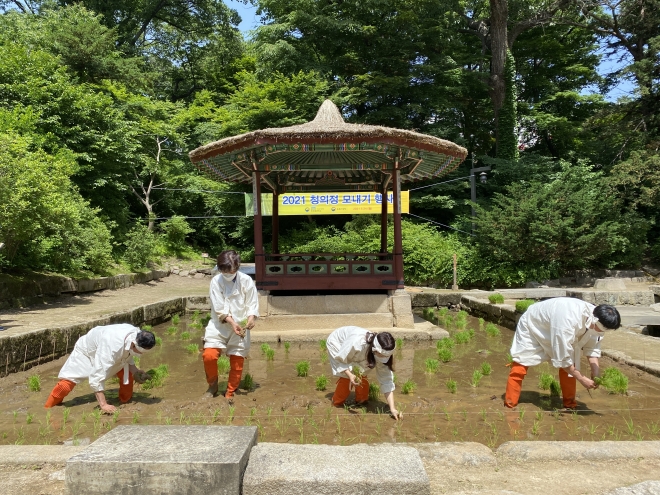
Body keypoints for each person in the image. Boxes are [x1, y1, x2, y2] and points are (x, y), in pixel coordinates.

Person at [504, 297, 621, 409]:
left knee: (571, 365)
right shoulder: (568, 320)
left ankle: (570, 404)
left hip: (558, 327)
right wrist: (582, 379)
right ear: (594, 321)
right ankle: (510, 404)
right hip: (534, 325)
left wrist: (595, 372)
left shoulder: (597, 320)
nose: (600, 332)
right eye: (600, 330)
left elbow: (593, 347)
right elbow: (563, 360)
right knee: (521, 364)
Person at [44, 324, 155, 412]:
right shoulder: (111, 347)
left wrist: (135, 372)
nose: (141, 354)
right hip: (86, 352)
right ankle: (48, 407)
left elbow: (126, 356)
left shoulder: (135, 334)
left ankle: (125, 401)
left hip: (108, 351)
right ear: (133, 344)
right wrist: (103, 404)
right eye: (140, 352)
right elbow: (96, 377)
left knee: (127, 375)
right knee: (66, 384)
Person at [202, 250, 259, 398]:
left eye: (232, 271)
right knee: (209, 355)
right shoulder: (216, 281)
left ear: (238, 267)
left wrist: (251, 318)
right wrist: (232, 322)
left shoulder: (246, 281)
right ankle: (213, 385)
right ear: (219, 269)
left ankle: (230, 392)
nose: (228, 274)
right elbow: (219, 307)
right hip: (219, 325)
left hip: (240, 326)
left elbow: (252, 303)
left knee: (237, 361)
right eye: (225, 271)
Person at [326, 326, 400, 419]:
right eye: (381, 356)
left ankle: (361, 401)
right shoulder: (356, 343)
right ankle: (336, 403)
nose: (383, 359)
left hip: (360, 350)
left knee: (361, 374)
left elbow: (386, 380)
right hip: (338, 344)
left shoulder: (383, 354)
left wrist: (392, 408)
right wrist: (350, 374)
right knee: (346, 377)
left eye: (386, 357)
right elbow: (341, 361)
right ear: (375, 350)